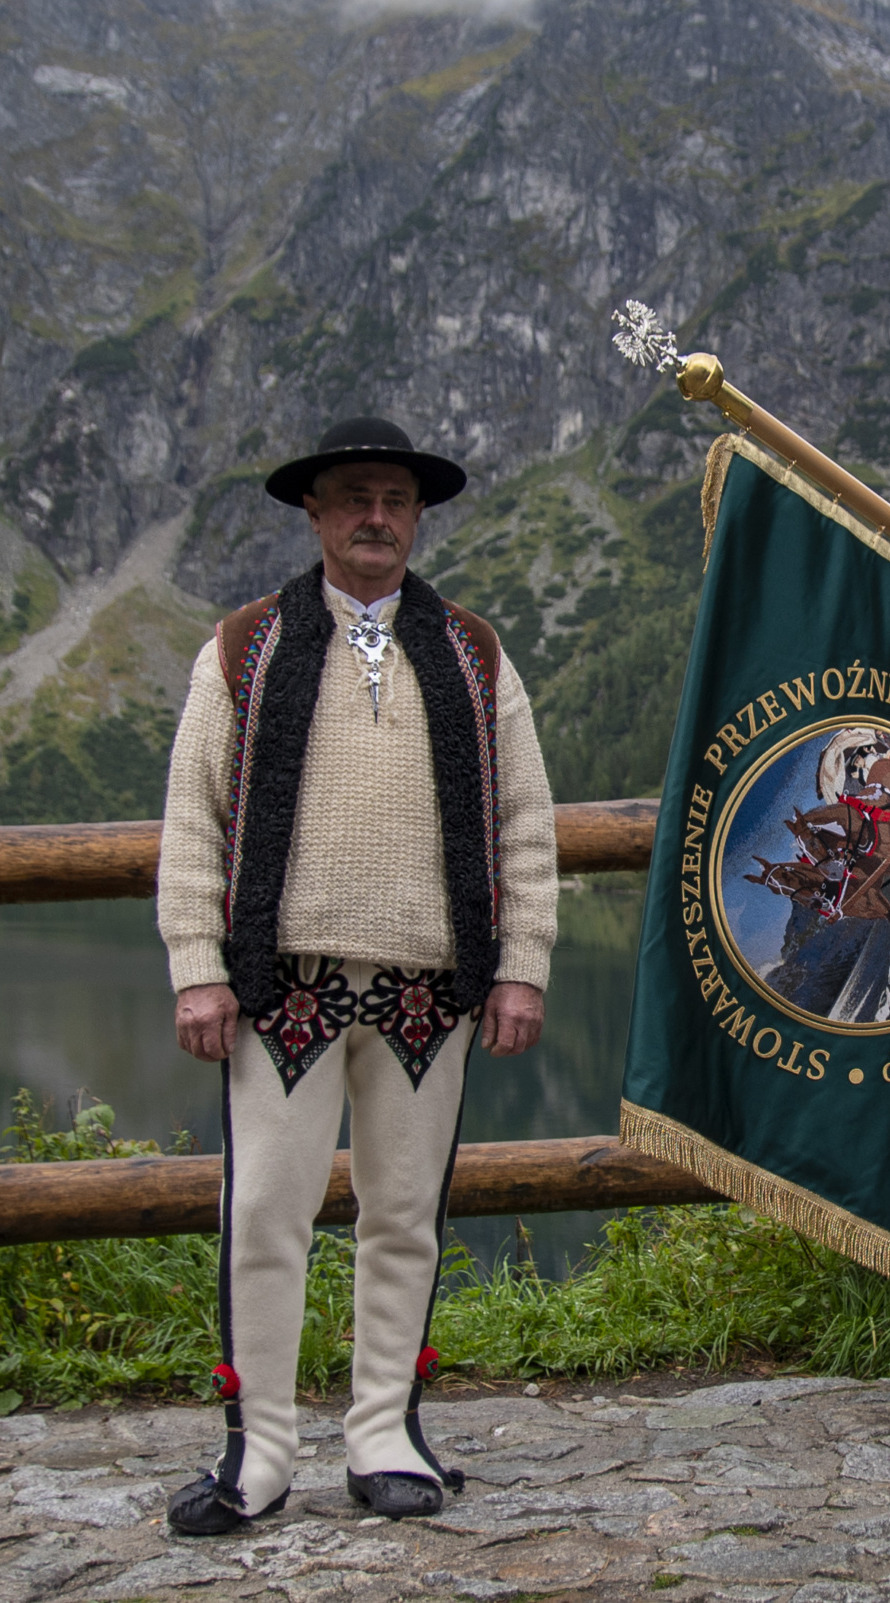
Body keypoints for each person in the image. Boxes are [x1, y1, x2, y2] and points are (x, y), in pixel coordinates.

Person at [154, 417, 559, 1531]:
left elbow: (524, 819)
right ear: (316, 514)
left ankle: (385, 1434)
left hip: (434, 989)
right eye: (353, 499)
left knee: (405, 1218)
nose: (375, 517)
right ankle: (262, 1453)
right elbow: (194, 819)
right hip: (281, 988)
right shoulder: (246, 647)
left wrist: (519, 965)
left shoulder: (474, 653)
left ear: (417, 516)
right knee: (267, 1213)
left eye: (394, 500)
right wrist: (200, 967)